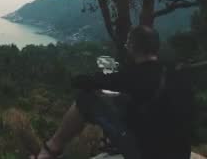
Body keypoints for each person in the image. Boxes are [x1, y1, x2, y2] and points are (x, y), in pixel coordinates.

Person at [36, 25, 194, 159]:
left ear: (132, 46)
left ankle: (51, 149)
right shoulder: (175, 74)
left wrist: (84, 78)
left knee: (86, 99)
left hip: (147, 154)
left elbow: (84, 82)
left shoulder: (133, 75)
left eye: (127, 42)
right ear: (156, 47)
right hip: (180, 153)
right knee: (122, 101)